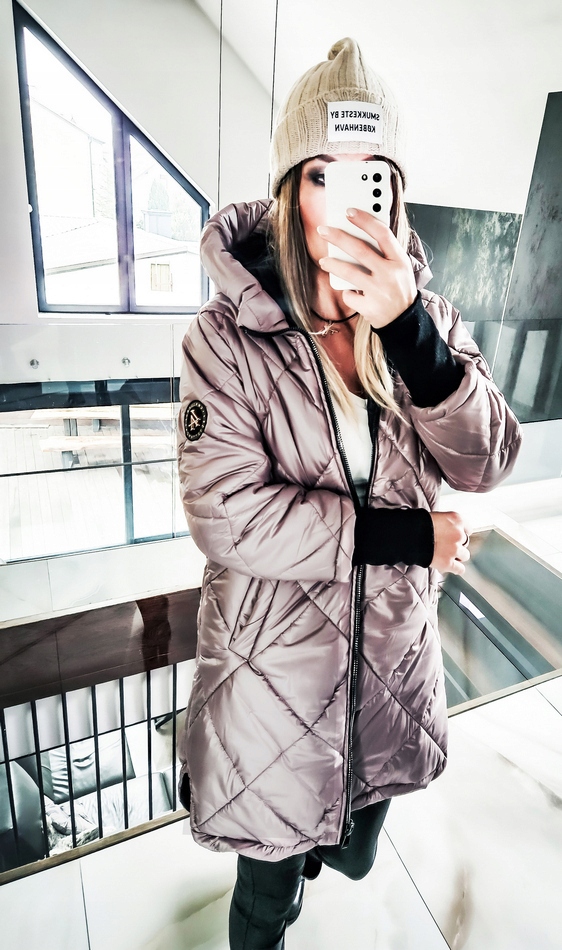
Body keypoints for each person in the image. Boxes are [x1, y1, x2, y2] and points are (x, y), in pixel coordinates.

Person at [177, 37, 521, 950]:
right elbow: (229, 516)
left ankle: (318, 856)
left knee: (357, 851)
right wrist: (411, 538)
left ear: (393, 192)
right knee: (266, 895)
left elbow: (487, 461)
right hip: (275, 682)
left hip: (387, 670)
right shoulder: (225, 338)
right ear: (289, 190)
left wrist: (410, 334)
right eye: (322, 173)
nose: (346, 198)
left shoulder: (426, 320)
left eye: (371, 174)